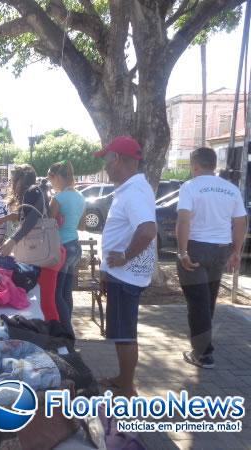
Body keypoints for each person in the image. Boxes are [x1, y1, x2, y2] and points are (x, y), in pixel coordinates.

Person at [94, 136, 157, 398]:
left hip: (127, 275)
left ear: (117, 158)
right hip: (123, 274)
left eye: (107, 160)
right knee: (121, 332)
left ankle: (127, 388)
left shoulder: (133, 192)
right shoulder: (133, 189)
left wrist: (124, 258)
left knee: (124, 334)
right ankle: (123, 379)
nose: (105, 166)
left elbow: (148, 230)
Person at [176, 147, 248, 369]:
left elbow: (184, 220)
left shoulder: (190, 187)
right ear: (213, 165)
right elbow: (240, 223)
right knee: (207, 300)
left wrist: (182, 252)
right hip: (220, 250)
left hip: (196, 249)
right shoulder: (231, 189)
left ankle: (204, 353)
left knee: (197, 302)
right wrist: (236, 251)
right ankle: (202, 347)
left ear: (195, 165)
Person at [0, 165, 61, 320]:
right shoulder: (37, 191)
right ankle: (60, 337)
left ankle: (59, 339)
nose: (12, 183)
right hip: (44, 251)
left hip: (42, 254)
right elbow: (26, 216)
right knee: (49, 301)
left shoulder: (32, 191)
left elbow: (32, 219)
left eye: (13, 179)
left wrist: (12, 241)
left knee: (45, 303)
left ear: (19, 179)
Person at [48, 161, 85, 336]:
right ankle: (67, 326)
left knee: (56, 293)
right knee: (66, 291)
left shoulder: (58, 198)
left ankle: (67, 333)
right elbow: (83, 225)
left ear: (57, 177)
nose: (50, 182)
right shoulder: (80, 197)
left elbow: (48, 224)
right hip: (75, 247)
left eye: (50, 177)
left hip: (61, 248)